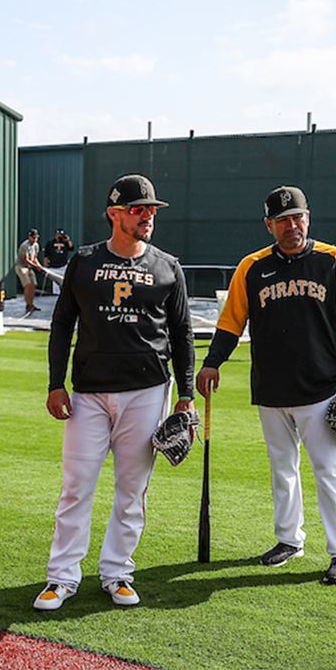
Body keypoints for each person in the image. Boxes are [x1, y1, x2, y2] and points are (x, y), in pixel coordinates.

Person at [34, 173, 194, 611]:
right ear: (114, 213)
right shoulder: (83, 262)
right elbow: (62, 324)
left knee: (132, 488)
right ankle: (62, 576)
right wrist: (55, 383)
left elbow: (182, 333)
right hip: (88, 393)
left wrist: (185, 394)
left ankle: (118, 571)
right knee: (76, 486)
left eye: (151, 210)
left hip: (146, 391)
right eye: (138, 209)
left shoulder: (167, 266)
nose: (147, 217)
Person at [197, 186, 336, 586]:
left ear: (309, 218)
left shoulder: (334, 261)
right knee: (282, 469)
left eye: (298, 217)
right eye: (283, 220)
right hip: (270, 389)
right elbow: (231, 323)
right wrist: (212, 362)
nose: (292, 225)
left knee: (327, 470)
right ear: (269, 225)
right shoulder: (251, 267)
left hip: (320, 389)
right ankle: (289, 540)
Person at [15, 228, 42, 315]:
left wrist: (39, 265)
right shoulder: (25, 245)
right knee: (28, 284)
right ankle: (28, 305)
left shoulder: (36, 245)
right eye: (33, 238)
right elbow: (26, 259)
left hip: (30, 267)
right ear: (29, 237)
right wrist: (36, 266)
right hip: (21, 266)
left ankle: (31, 304)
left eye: (36, 238)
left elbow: (34, 258)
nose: (35, 239)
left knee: (34, 284)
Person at [43, 228, 74, 295]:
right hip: (53, 266)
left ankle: (65, 294)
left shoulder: (65, 242)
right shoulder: (50, 243)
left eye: (61, 235)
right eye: (59, 234)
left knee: (65, 280)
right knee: (55, 284)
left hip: (63, 265)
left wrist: (68, 240)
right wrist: (45, 266)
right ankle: (56, 295)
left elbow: (71, 248)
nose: (60, 236)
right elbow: (46, 255)